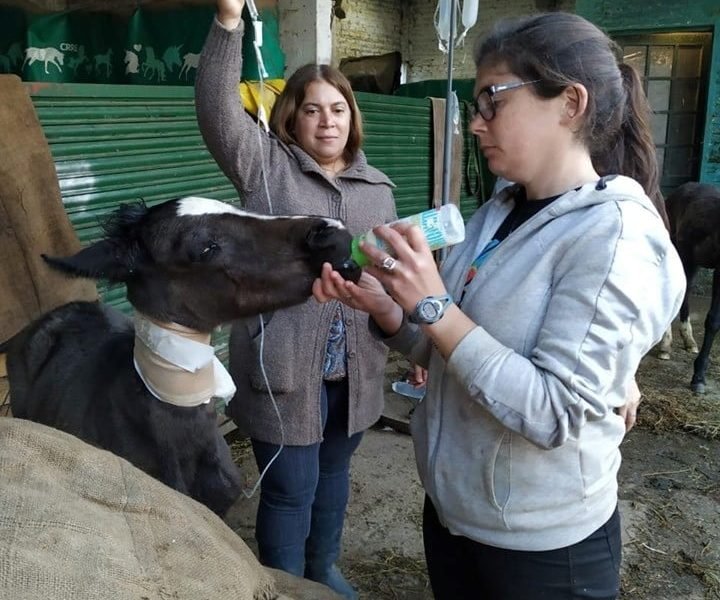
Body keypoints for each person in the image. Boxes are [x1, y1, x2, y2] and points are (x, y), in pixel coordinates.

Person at [313, 12, 685, 599]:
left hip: (543, 551)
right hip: (457, 519)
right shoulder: (497, 213)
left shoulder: (613, 239)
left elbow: (553, 412)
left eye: (492, 102)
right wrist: (390, 310)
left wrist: (435, 307)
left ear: (570, 103)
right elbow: (453, 355)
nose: (477, 124)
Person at [194, 2, 396, 598]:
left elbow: (390, 271)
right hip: (282, 369)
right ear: (292, 117)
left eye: (338, 110)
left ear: (351, 118)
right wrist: (229, 22)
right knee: (289, 488)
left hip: (355, 371)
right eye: (312, 110)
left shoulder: (378, 188)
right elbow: (216, 112)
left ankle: (322, 570)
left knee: (334, 478)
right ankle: (280, 585)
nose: (327, 122)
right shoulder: (264, 167)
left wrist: (405, 328)